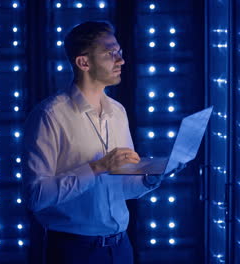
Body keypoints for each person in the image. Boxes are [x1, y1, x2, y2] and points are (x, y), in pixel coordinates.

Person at [23, 21, 162, 264]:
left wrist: (149, 178)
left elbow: (122, 186)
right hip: (74, 251)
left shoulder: (118, 112)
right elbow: (35, 197)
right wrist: (97, 167)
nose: (120, 61)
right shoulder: (50, 116)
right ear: (83, 63)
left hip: (121, 248)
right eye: (111, 54)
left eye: (119, 52)